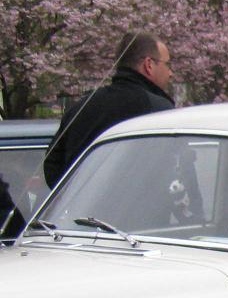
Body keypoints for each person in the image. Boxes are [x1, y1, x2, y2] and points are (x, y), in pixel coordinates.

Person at [42, 31, 174, 187]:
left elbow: (52, 163)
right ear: (149, 65)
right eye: (168, 64)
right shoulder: (158, 110)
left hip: (86, 208)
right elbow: (174, 168)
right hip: (139, 208)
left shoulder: (81, 107)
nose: (171, 73)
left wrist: (75, 197)